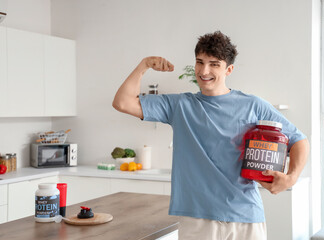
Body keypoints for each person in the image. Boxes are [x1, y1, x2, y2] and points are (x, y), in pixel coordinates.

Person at [113, 31, 309, 240]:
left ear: (229, 69)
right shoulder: (179, 105)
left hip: (245, 216)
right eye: (200, 62)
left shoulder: (253, 105)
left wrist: (291, 178)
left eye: (214, 64)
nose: (204, 70)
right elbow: (123, 103)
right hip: (197, 219)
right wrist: (144, 65)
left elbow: (299, 140)